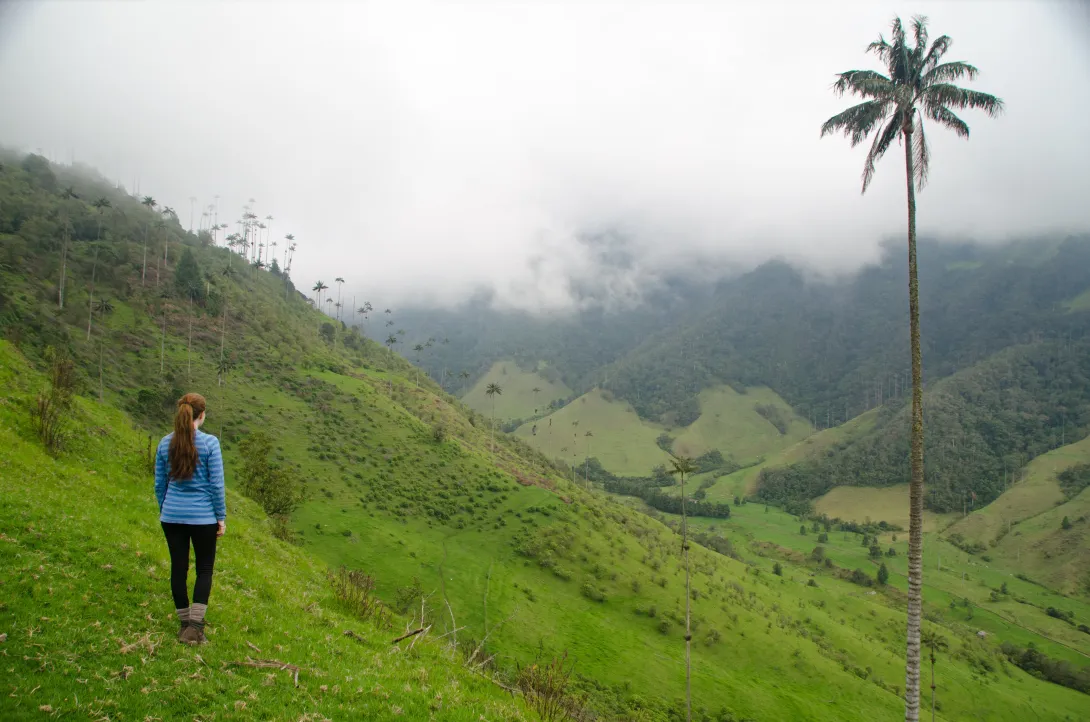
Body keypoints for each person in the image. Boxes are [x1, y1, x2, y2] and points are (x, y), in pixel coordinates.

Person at [154, 393, 226, 645]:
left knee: (178, 568)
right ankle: (194, 628)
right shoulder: (210, 444)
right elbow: (216, 485)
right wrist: (221, 517)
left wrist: (166, 508)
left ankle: (184, 625)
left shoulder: (165, 443)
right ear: (202, 415)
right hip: (203, 517)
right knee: (204, 569)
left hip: (171, 516)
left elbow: (160, 484)